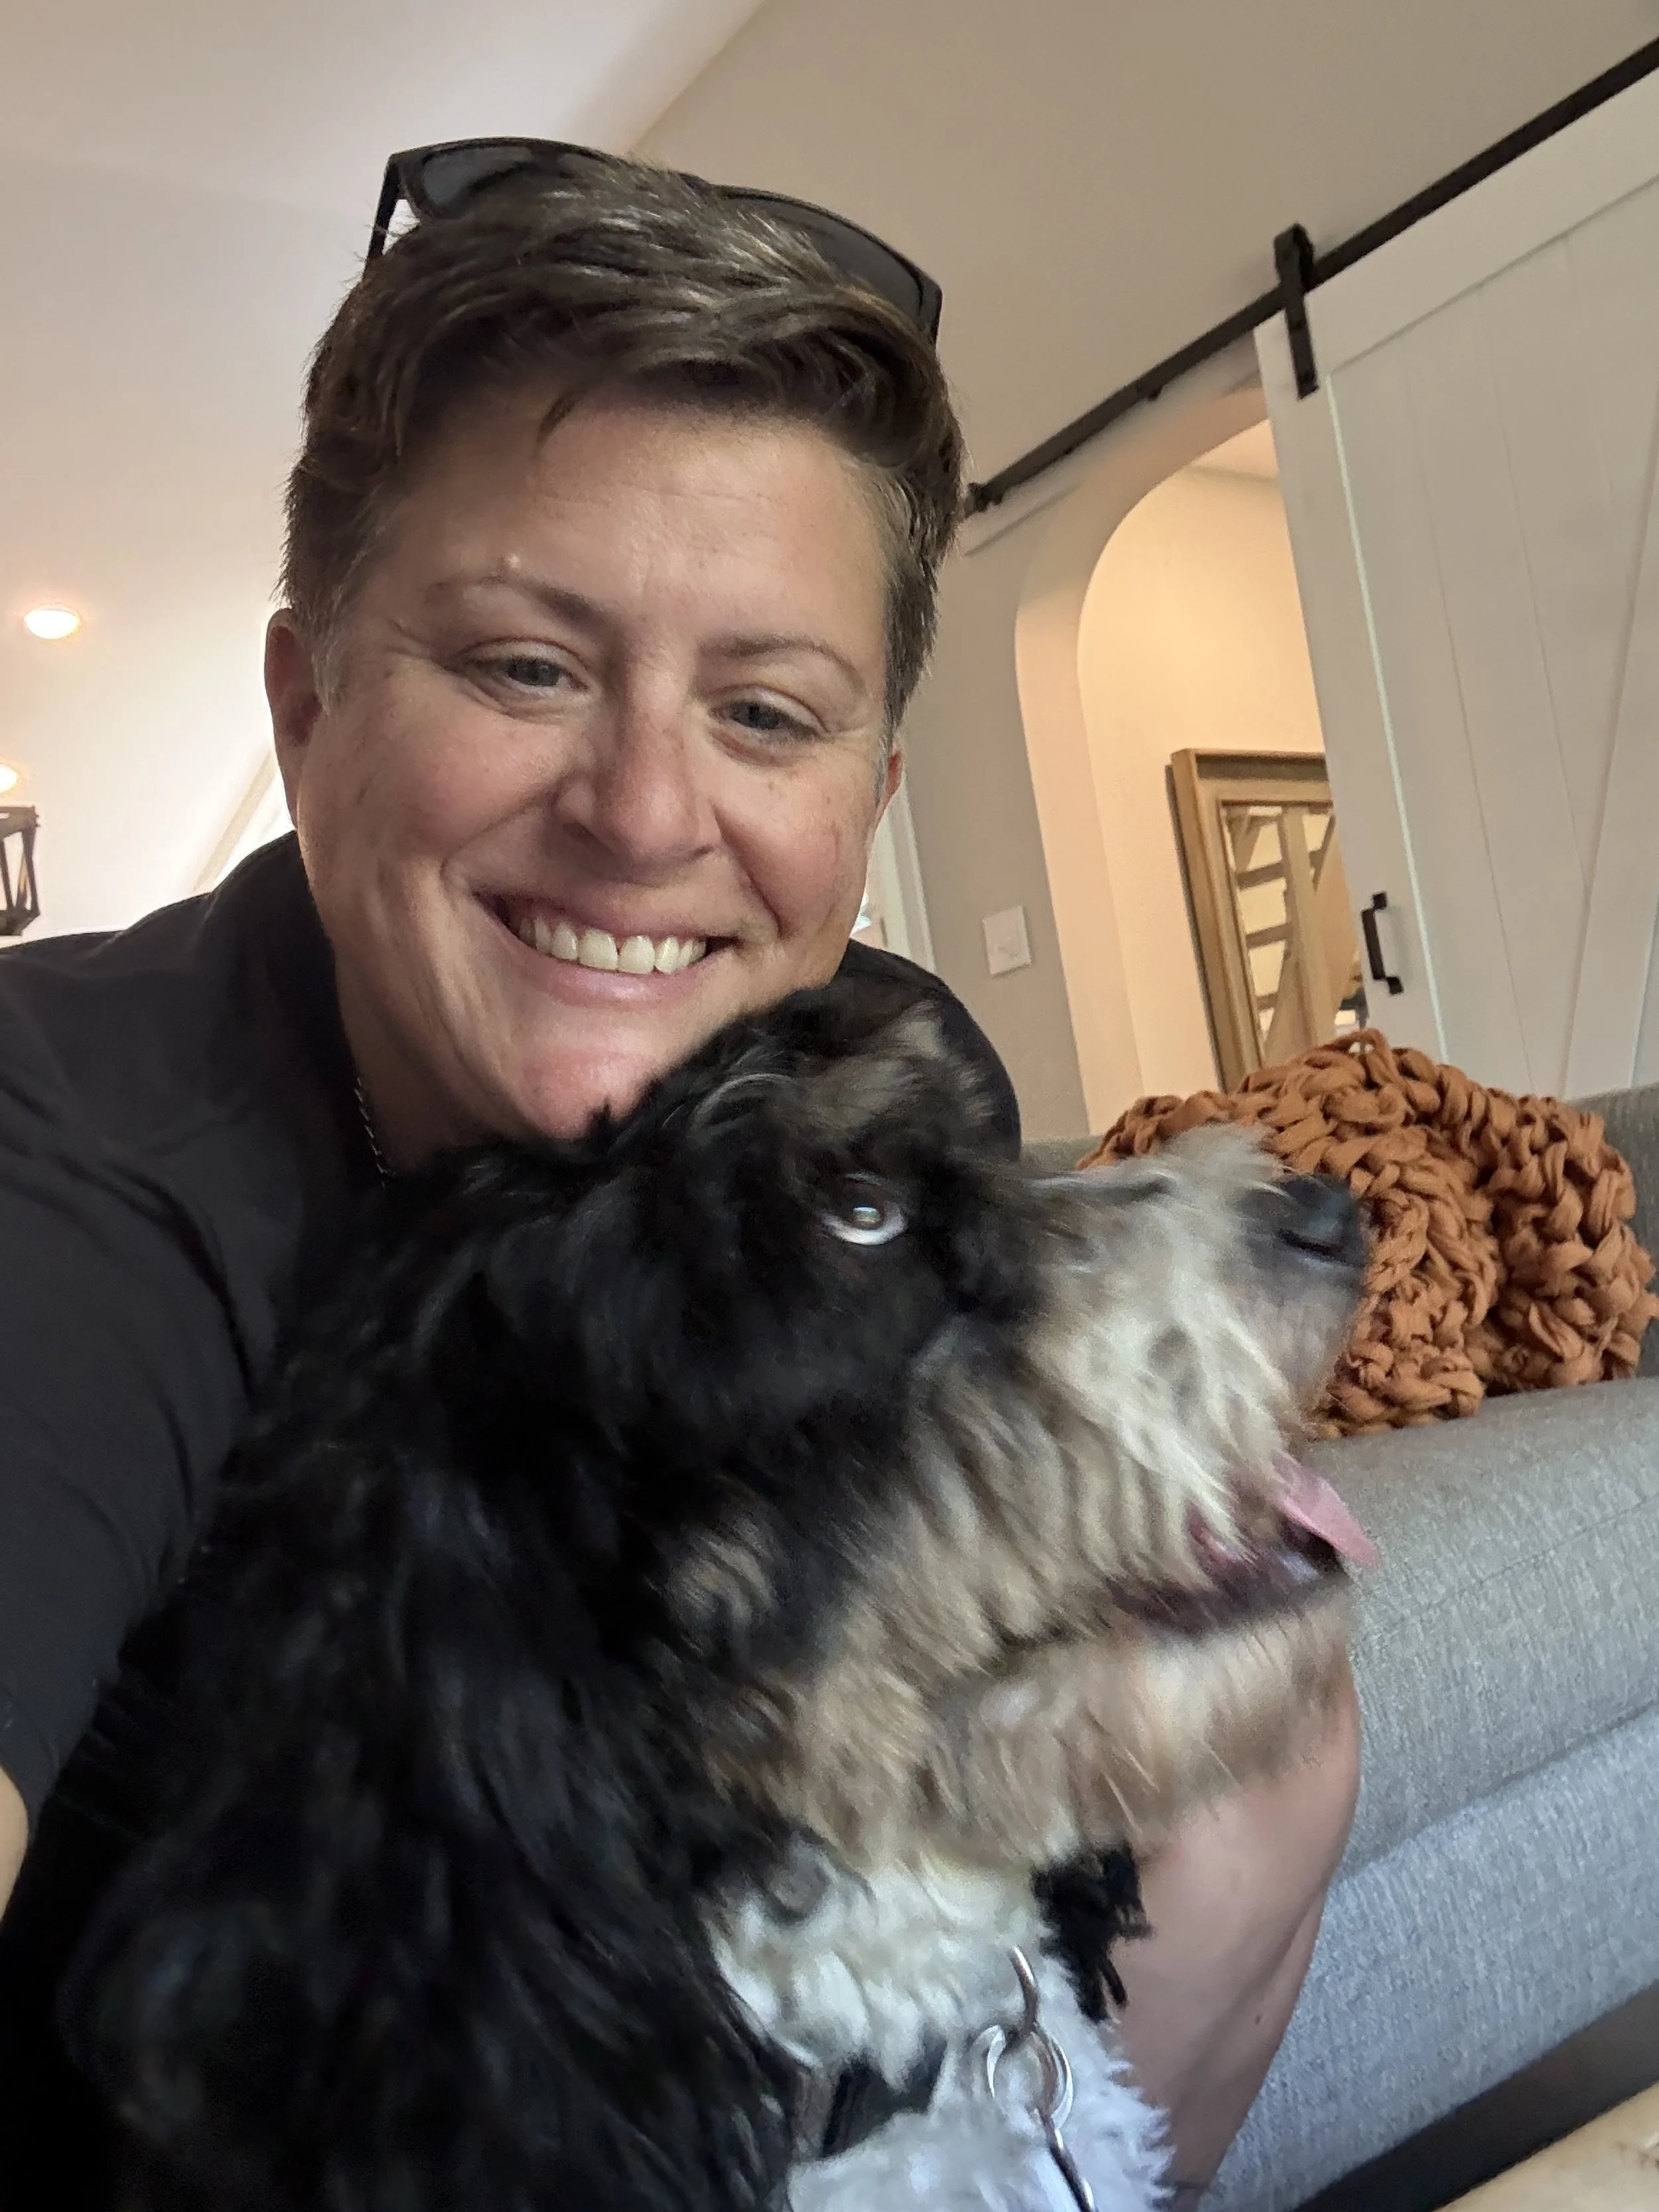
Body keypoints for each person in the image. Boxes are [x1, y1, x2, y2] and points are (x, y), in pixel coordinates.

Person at [0, 143, 1359, 2202]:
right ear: (305, 706)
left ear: (868, 796)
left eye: (764, 709)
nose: (644, 814)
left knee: (1269, 1748)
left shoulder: (877, 1067)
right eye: (524, 665)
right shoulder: (80, 1162)